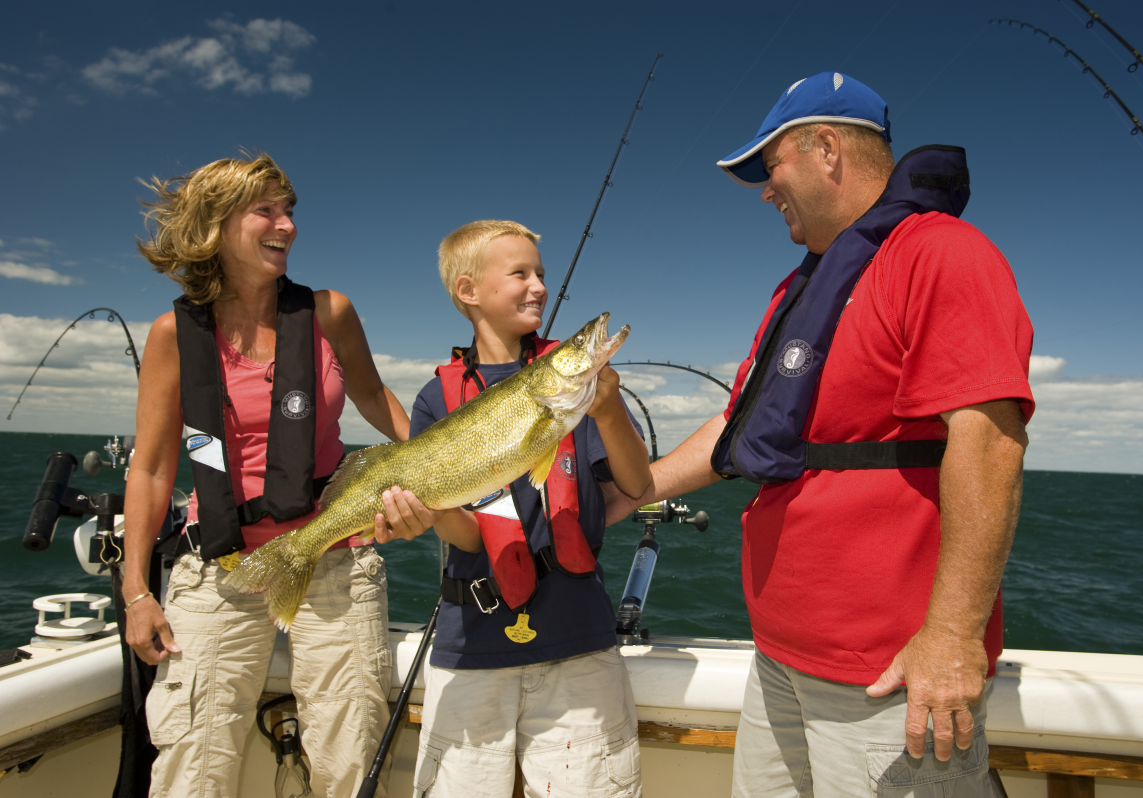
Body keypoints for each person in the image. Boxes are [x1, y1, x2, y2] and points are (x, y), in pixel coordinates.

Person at [606, 72, 1034, 797]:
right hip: (778, 659)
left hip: (885, 674)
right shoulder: (799, 289)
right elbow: (737, 424)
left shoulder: (940, 254)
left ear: (827, 148)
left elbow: (990, 441)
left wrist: (954, 636)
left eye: (770, 167)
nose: (764, 191)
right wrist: (630, 491)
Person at [121, 153, 411, 797]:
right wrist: (137, 589)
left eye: (290, 212)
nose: (288, 226)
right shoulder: (173, 334)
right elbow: (151, 467)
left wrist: (460, 468)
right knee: (191, 771)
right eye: (267, 211)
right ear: (216, 226)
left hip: (337, 561)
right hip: (218, 569)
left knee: (352, 763)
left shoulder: (330, 313)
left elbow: (376, 399)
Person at [370, 219, 650, 798]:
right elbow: (470, 537)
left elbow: (637, 482)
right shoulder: (435, 398)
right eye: (520, 273)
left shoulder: (571, 391)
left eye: (542, 275)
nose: (539, 287)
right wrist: (424, 514)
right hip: (472, 648)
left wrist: (608, 407)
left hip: (579, 640)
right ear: (468, 292)